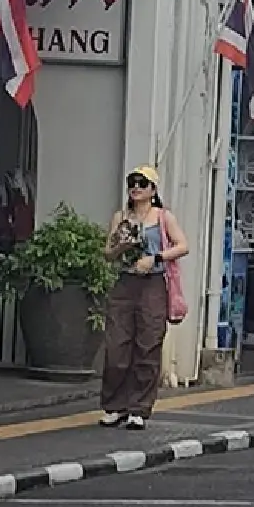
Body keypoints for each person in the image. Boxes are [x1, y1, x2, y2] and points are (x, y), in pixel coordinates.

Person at [101, 166, 190, 430]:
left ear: (153, 190)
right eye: (132, 182)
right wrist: (121, 246)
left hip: (153, 284)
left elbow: (182, 246)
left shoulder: (163, 217)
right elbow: (108, 253)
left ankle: (139, 408)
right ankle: (115, 406)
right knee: (116, 346)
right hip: (124, 283)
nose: (136, 187)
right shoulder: (121, 217)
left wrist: (156, 258)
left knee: (148, 345)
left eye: (143, 183)